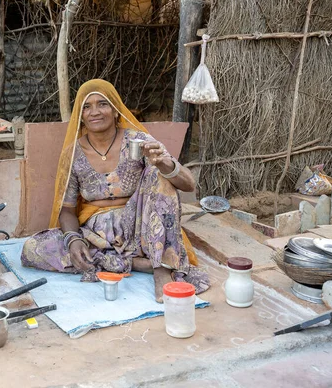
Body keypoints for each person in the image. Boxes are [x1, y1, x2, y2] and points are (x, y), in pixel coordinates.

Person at [20, 79, 210, 302]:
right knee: (32, 248)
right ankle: (137, 263)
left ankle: (160, 269)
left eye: (103, 104)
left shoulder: (138, 141)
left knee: (157, 174)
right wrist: (73, 240)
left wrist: (164, 164)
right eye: (87, 107)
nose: (95, 112)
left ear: (115, 110)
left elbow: (187, 185)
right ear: (80, 116)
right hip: (97, 234)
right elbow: (68, 209)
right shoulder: (74, 154)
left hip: (142, 227)